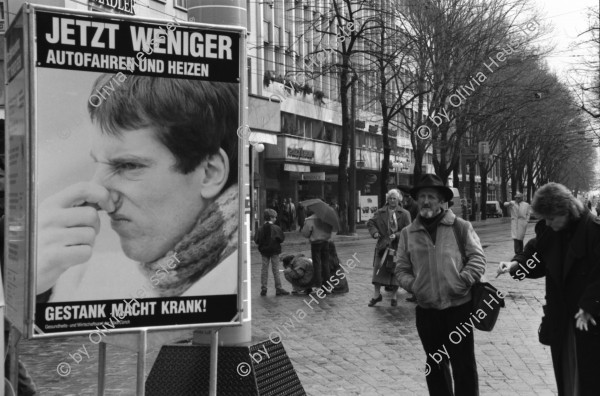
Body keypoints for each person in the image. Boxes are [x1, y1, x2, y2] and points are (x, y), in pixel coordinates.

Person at [37, 75, 239, 301]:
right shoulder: (80, 277)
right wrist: (34, 284)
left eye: (128, 165)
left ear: (210, 173)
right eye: (98, 164)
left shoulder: (234, 288)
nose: (98, 193)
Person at [497, 183, 600, 396]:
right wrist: (516, 264)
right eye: (545, 218)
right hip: (561, 317)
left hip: (586, 320)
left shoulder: (593, 229)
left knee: (590, 378)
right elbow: (536, 254)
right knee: (566, 375)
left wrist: (590, 304)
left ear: (567, 210)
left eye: (552, 218)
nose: (548, 223)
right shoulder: (551, 229)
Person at [395, 174, 486, 396]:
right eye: (422, 197)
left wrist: (462, 280)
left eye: (431, 197)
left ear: (441, 201)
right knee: (435, 365)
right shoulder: (408, 233)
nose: (426, 201)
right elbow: (400, 268)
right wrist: (415, 286)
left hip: (459, 308)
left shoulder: (460, 227)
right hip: (427, 311)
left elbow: (477, 259)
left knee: (463, 366)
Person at [367, 189, 411, 307]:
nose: (392, 201)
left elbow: (408, 230)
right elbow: (370, 223)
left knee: (395, 272)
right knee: (378, 270)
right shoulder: (380, 212)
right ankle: (376, 295)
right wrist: (375, 233)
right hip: (382, 247)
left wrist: (396, 235)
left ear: (399, 200)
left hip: (397, 248)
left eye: (394, 198)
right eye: (390, 198)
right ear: (387, 200)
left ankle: (394, 296)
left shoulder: (405, 214)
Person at [254, 209, 289, 296]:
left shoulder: (260, 229)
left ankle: (264, 287)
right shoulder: (276, 228)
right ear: (271, 217)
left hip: (264, 251)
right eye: (274, 217)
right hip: (274, 251)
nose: (275, 219)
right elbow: (281, 239)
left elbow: (256, 240)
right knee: (275, 270)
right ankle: (278, 288)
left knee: (264, 269)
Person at [301, 208, 333, 294]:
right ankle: (327, 286)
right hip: (326, 242)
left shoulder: (310, 219)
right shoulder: (327, 219)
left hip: (316, 243)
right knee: (326, 263)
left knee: (317, 264)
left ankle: (318, 286)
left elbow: (305, 233)